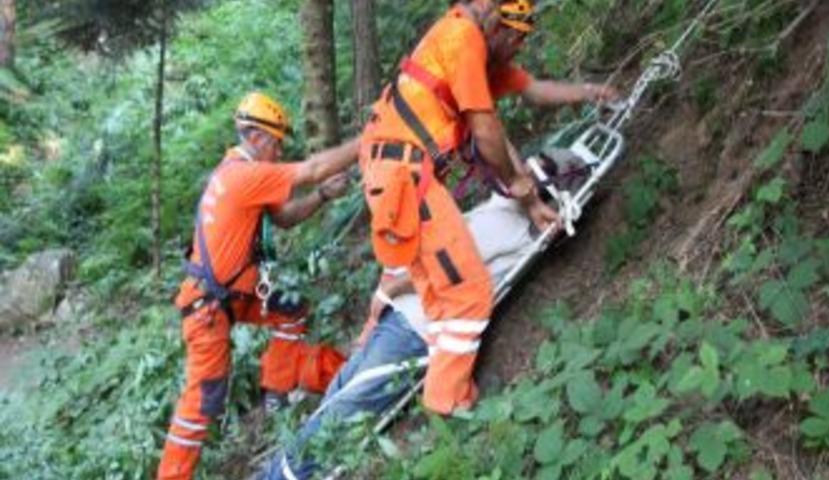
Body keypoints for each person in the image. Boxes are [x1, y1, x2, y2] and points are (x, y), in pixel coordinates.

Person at [259, 148, 587, 480]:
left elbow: (443, 266)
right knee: (335, 404)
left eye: (532, 171)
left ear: (543, 192)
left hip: (415, 328)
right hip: (406, 320)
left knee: (340, 415)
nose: (519, 173)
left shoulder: (506, 223)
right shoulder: (501, 211)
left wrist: (388, 291)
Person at [358, 0, 618, 416]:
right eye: (516, 40)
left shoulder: (471, 53)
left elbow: (529, 93)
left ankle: (443, 384)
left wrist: (590, 93)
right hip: (404, 177)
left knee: (445, 297)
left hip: (397, 174)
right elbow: (486, 133)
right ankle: (449, 401)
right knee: (470, 293)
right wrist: (522, 190)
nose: (518, 49)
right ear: (498, 28)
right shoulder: (465, 42)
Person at [158, 92, 360, 480]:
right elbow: (314, 167)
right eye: (277, 141)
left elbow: (284, 217)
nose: (280, 149)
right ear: (256, 137)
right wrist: (365, 142)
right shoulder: (244, 175)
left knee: (290, 308)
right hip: (210, 307)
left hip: (232, 296)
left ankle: (277, 388)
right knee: (204, 399)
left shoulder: (238, 171)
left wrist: (320, 196)